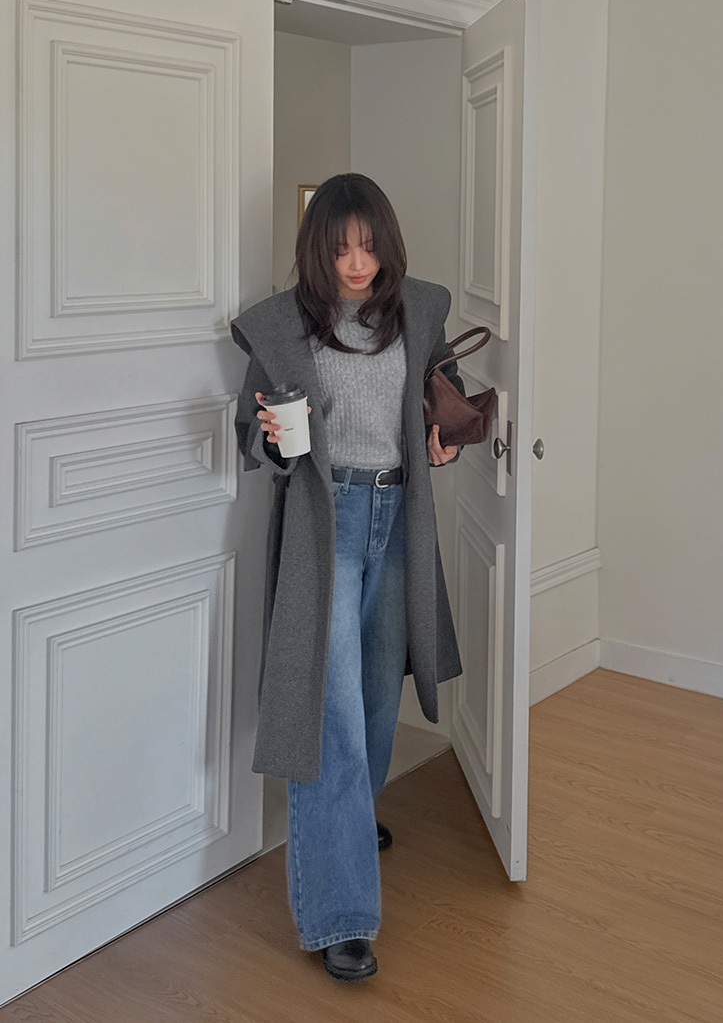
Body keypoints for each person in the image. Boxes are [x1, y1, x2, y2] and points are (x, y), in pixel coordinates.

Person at [230, 173, 465, 981]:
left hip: (398, 521)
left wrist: (444, 436)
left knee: (370, 697)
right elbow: (250, 433)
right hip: (324, 525)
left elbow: (441, 395)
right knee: (329, 710)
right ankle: (341, 914)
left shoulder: (420, 310)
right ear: (316, 252)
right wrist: (272, 436)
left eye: (368, 246)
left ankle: (348, 823)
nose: (357, 263)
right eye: (340, 250)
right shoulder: (281, 324)